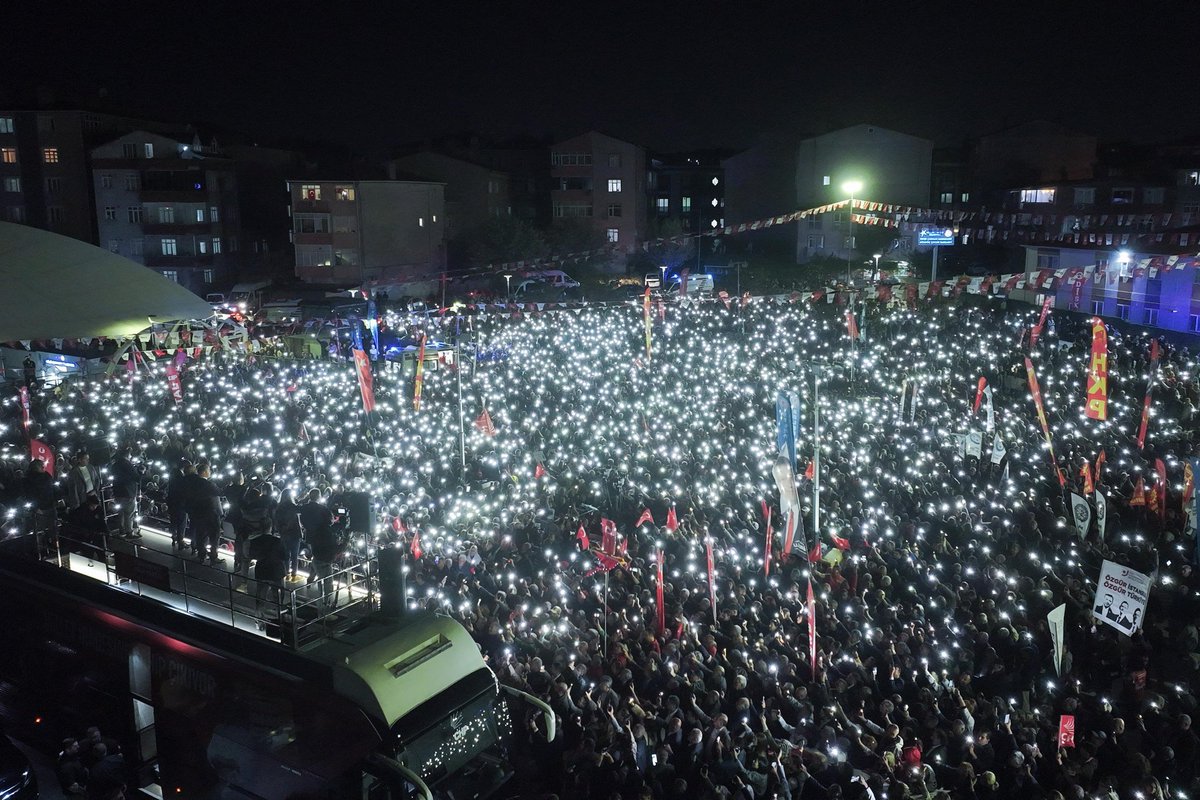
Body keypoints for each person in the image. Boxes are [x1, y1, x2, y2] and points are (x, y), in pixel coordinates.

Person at [299, 489, 336, 607]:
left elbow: (302, 520)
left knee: (315, 555)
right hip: (321, 536)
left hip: (309, 536)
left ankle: (311, 577)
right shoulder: (322, 509)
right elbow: (330, 521)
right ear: (319, 497)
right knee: (318, 556)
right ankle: (313, 578)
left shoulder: (304, 508)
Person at [186, 461, 223, 565]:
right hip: (211, 513)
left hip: (198, 512)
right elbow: (220, 492)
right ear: (204, 472)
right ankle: (213, 556)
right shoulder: (209, 484)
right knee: (214, 536)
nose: (210, 472)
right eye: (209, 470)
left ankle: (201, 555)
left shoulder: (193, 484)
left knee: (201, 535)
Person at [23, 457, 58, 550]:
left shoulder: (46, 475)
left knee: (53, 528)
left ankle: (53, 546)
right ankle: (39, 549)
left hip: (50, 505)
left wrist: (56, 499)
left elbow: (52, 488)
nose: (43, 467)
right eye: (41, 466)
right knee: (39, 530)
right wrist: (36, 508)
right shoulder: (28, 479)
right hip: (40, 509)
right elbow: (29, 495)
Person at [108, 446, 142, 539]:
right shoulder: (128, 464)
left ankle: (121, 531)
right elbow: (136, 477)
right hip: (128, 492)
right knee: (129, 513)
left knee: (121, 513)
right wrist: (141, 472)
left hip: (118, 492)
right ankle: (129, 532)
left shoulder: (115, 464)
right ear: (127, 454)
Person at [274, 490, 303, 580]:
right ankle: (294, 574)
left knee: (286, 555)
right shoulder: (292, 506)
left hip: (284, 533)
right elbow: (301, 510)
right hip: (294, 533)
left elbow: (276, 521)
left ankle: (286, 573)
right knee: (294, 555)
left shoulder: (279, 507)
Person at [166, 459, 193, 549]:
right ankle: (180, 540)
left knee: (173, 521)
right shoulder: (181, 477)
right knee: (181, 522)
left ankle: (174, 537)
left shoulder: (173, 473)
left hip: (172, 501)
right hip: (180, 502)